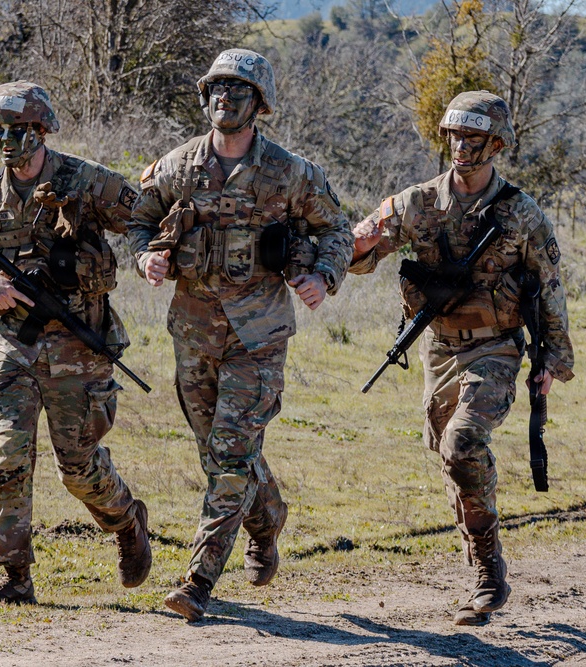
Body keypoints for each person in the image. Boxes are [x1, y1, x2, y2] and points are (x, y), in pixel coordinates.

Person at [128, 49, 353, 621]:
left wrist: (322, 276)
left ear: (259, 104)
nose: (224, 99)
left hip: (259, 335)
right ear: (204, 98)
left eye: (237, 91)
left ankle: (198, 580)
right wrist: (144, 258)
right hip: (194, 334)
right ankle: (267, 517)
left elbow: (336, 229)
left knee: (230, 452)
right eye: (216, 90)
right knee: (219, 452)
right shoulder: (177, 166)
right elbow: (138, 218)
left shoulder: (289, 171)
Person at [350, 91, 574, 626]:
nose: (461, 148)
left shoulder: (521, 213)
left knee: (463, 441)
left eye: (473, 139)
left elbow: (550, 288)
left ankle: (488, 572)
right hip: (439, 346)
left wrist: (554, 359)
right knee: (451, 458)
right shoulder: (418, 202)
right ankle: (482, 556)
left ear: (496, 144)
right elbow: (361, 250)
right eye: (454, 136)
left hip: (496, 347)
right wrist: (336, 250)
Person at [0, 81, 151, 604]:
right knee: (8, 456)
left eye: (18, 132)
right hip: (15, 347)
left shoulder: (84, 180)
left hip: (79, 352)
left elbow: (144, 219)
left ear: (41, 131)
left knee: (78, 468)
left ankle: (127, 520)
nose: (8, 143)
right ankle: (15, 578)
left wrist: (156, 256)